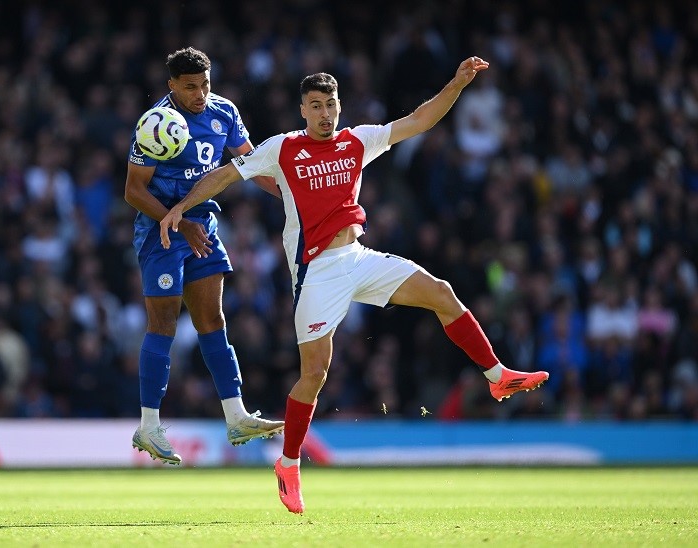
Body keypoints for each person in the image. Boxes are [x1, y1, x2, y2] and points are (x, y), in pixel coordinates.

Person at [160, 56, 549, 510]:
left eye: (331, 104)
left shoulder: (357, 141)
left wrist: (457, 84)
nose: (325, 113)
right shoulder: (282, 148)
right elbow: (226, 174)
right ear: (302, 110)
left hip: (359, 257)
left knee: (441, 292)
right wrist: (180, 208)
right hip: (317, 273)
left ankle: (498, 377)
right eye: (315, 106)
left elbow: (419, 120)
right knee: (314, 375)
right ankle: (288, 464)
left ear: (339, 106)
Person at [124, 47, 284, 466]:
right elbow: (133, 190)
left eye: (206, 84)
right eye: (190, 86)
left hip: (204, 228)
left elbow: (250, 165)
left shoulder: (224, 113)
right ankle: (148, 425)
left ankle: (236, 416)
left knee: (213, 320)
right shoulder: (155, 124)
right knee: (163, 324)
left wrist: (292, 194)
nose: (200, 94)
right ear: (172, 86)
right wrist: (177, 222)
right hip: (160, 233)